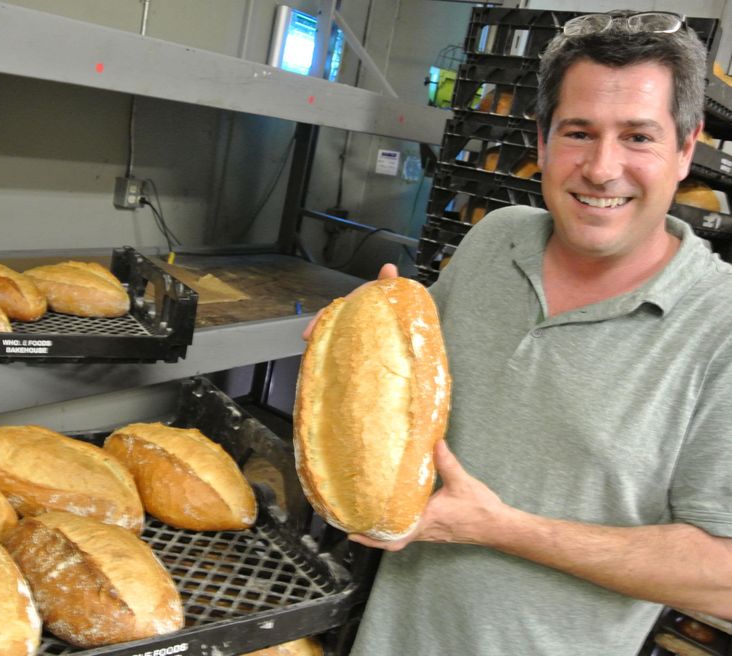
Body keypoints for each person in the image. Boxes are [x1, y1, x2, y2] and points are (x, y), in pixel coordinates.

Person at [311, 11, 732, 655]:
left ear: (685, 148)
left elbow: (723, 579)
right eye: (579, 132)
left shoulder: (719, 324)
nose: (602, 168)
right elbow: (412, 392)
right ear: (542, 140)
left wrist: (500, 528)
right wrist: (351, 347)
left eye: (638, 137)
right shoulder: (495, 238)